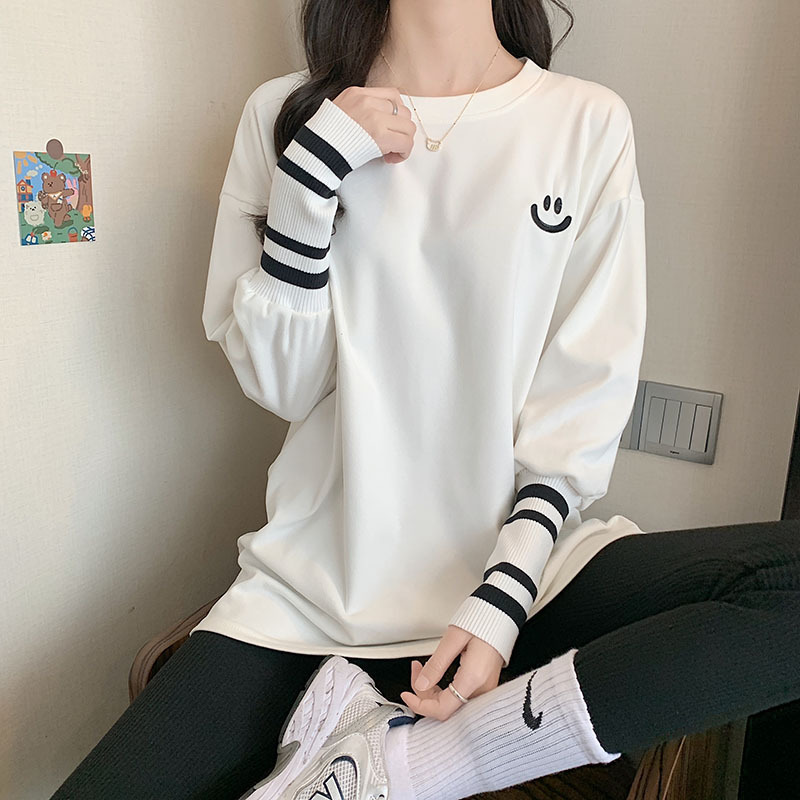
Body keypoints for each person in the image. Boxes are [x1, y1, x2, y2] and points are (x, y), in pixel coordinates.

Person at [48, 2, 800, 799]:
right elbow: (284, 386)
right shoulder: (286, 114)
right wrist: (308, 181)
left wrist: (499, 603)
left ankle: (419, 766)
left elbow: (578, 402)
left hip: (526, 580)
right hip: (313, 599)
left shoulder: (586, 123)